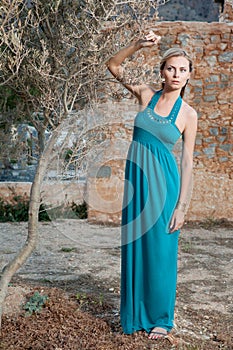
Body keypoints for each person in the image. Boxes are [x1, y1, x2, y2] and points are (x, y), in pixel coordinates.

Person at [106, 31, 198, 341]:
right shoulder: (146, 95)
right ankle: (133, 315)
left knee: (161, 250)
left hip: (165, 188)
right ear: (162, 71)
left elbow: (187, 162)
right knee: (135, 248)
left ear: (189, 75)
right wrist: (137, 45)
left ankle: (161, 317)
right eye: (171, 68)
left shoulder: (188, 115)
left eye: (183, 69)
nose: (176, 74)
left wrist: (182, 206)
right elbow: (113, 65)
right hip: (136, 185)